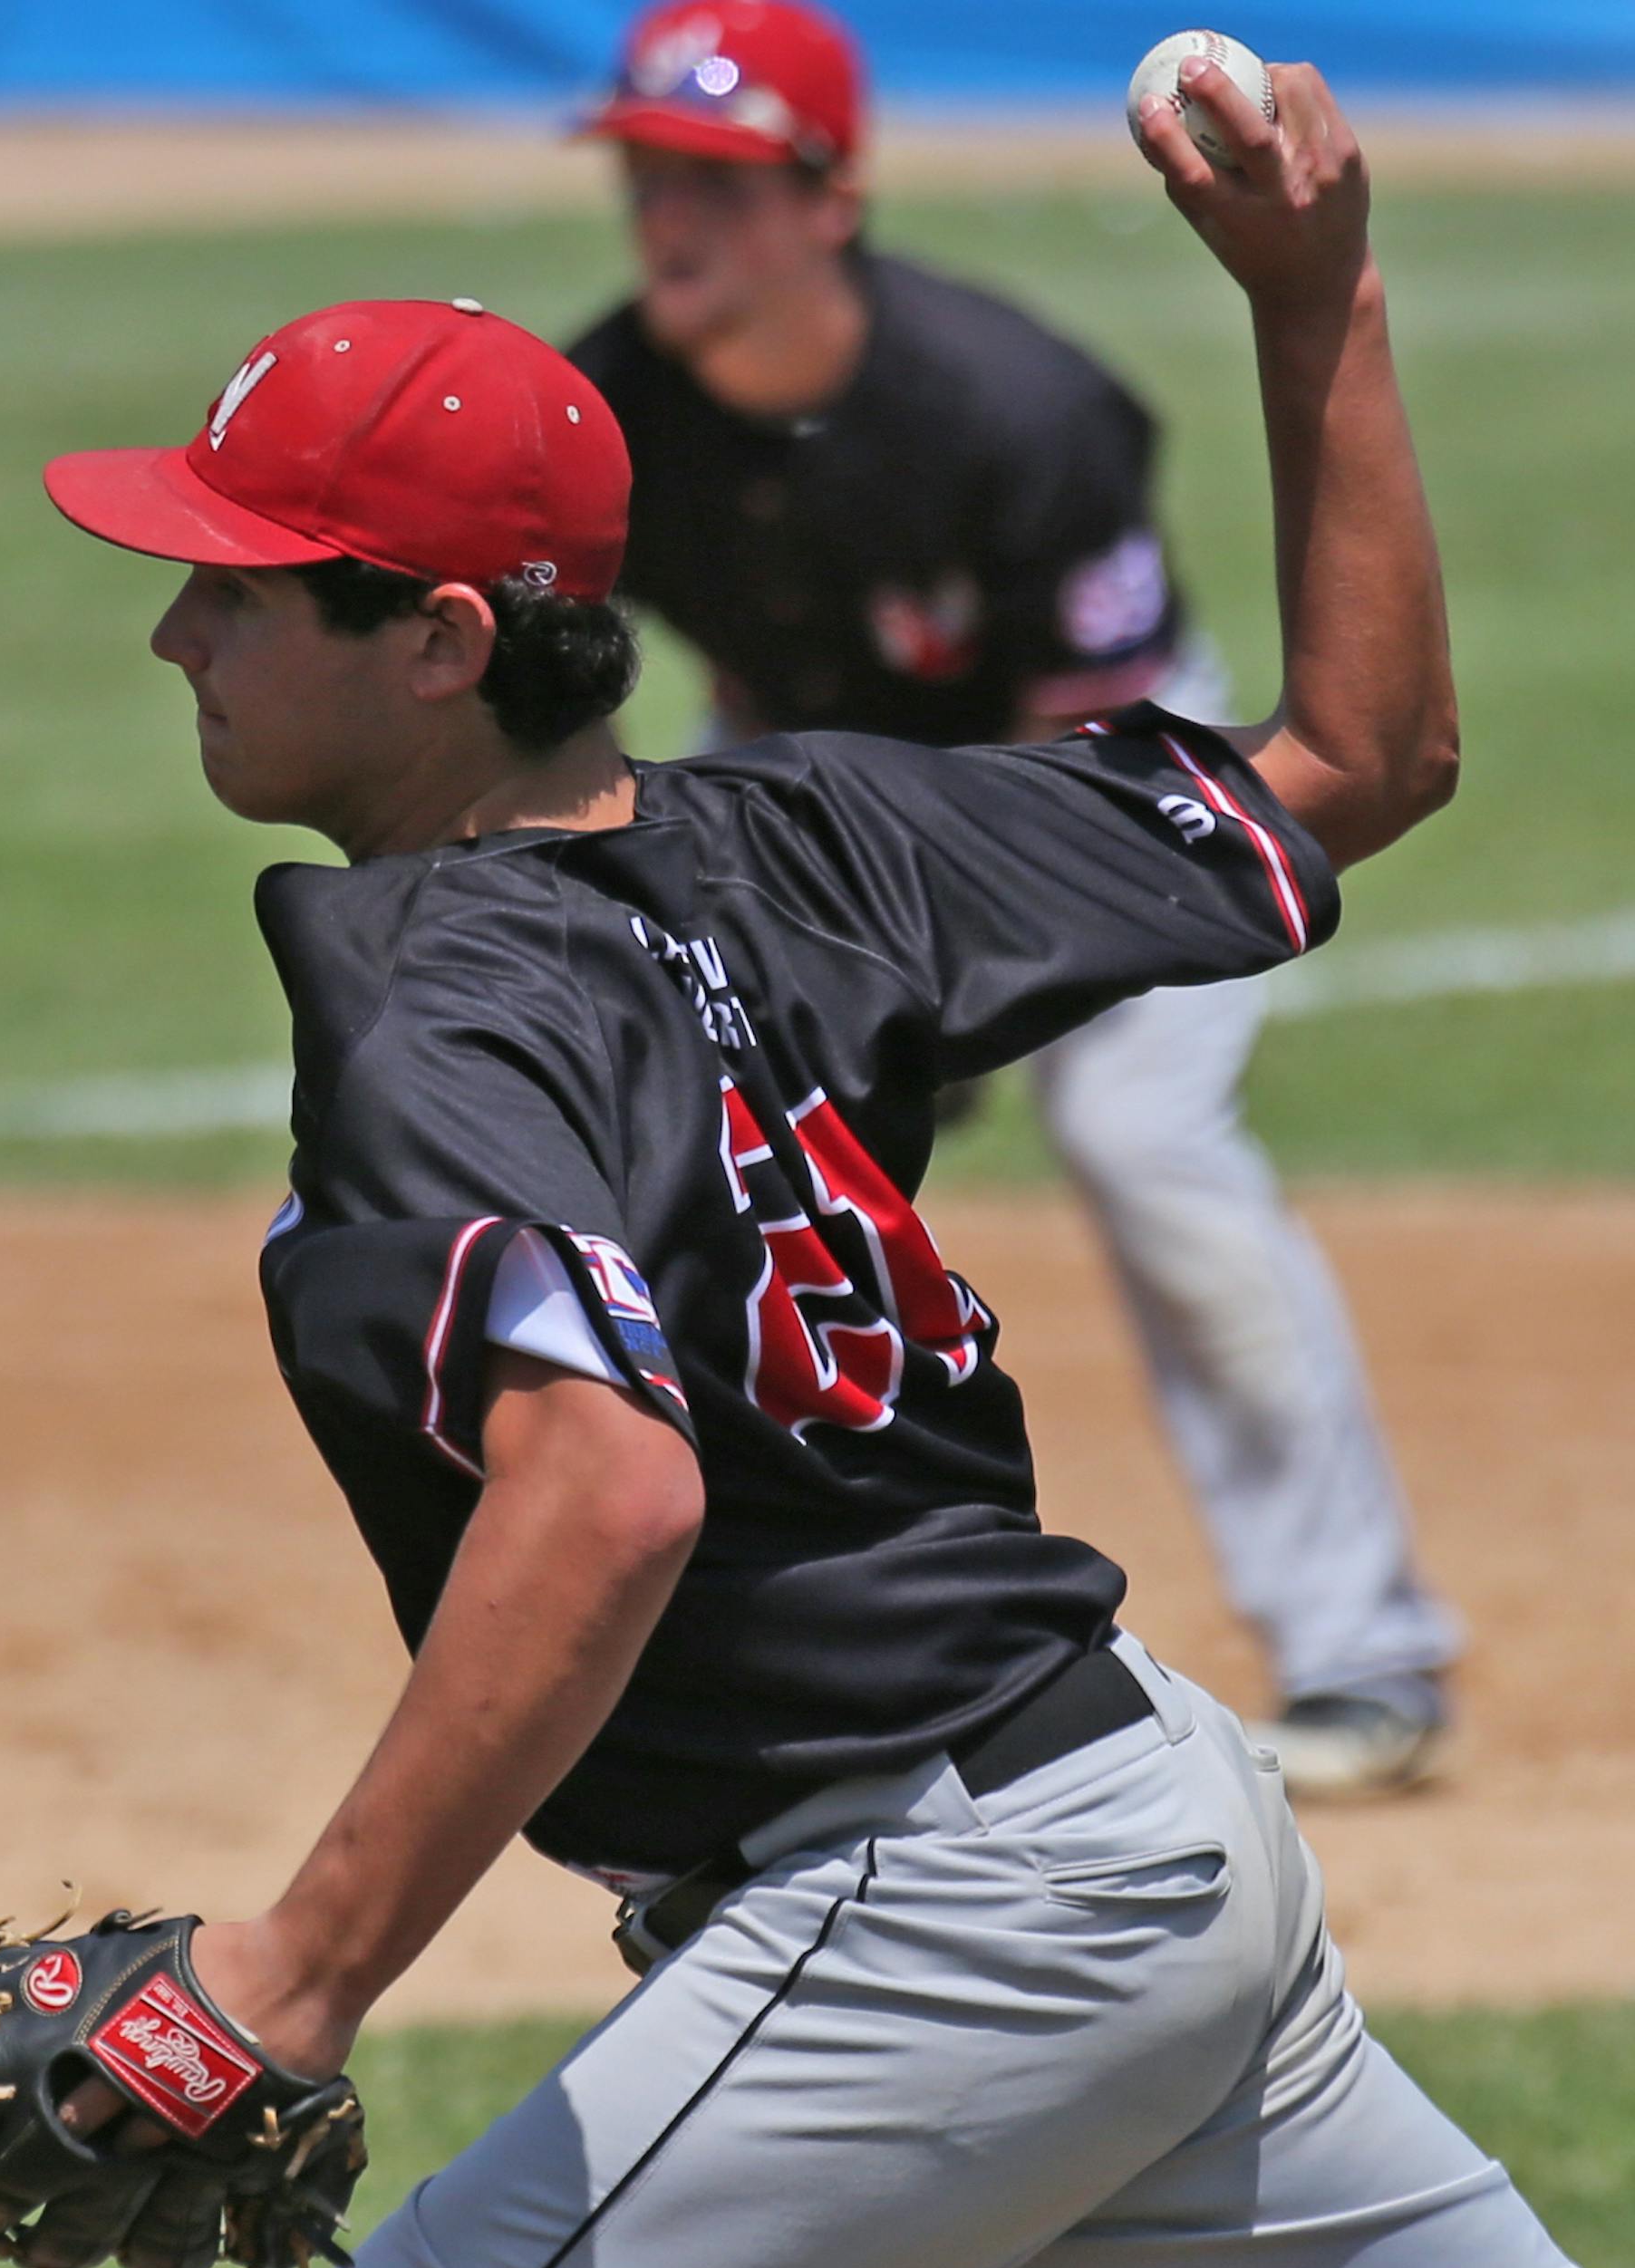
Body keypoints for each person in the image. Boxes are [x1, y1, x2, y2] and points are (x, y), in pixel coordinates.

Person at [39, 62, 1628, 2268]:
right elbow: (1364, 760)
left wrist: (292, 1971)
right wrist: (1320, 302)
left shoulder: (424, 989)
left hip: (940, 1919)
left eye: (247, 586)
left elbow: (602, 1490)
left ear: (445, 642)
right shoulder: (807, 833)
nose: (181, 636)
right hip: (1148, 1824)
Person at [566, 0, 1460, 1797]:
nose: (673, 215)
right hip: (822, 795)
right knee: (684, 1166)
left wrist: (944, 996)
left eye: (721, 180)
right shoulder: (617, 408)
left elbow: (1090, 794)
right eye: (652, 172)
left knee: (1139, 1128)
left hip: (1104, 766)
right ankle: (723, 1660)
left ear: (833, 199)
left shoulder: (1016, 410)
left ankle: (1366, 1648)